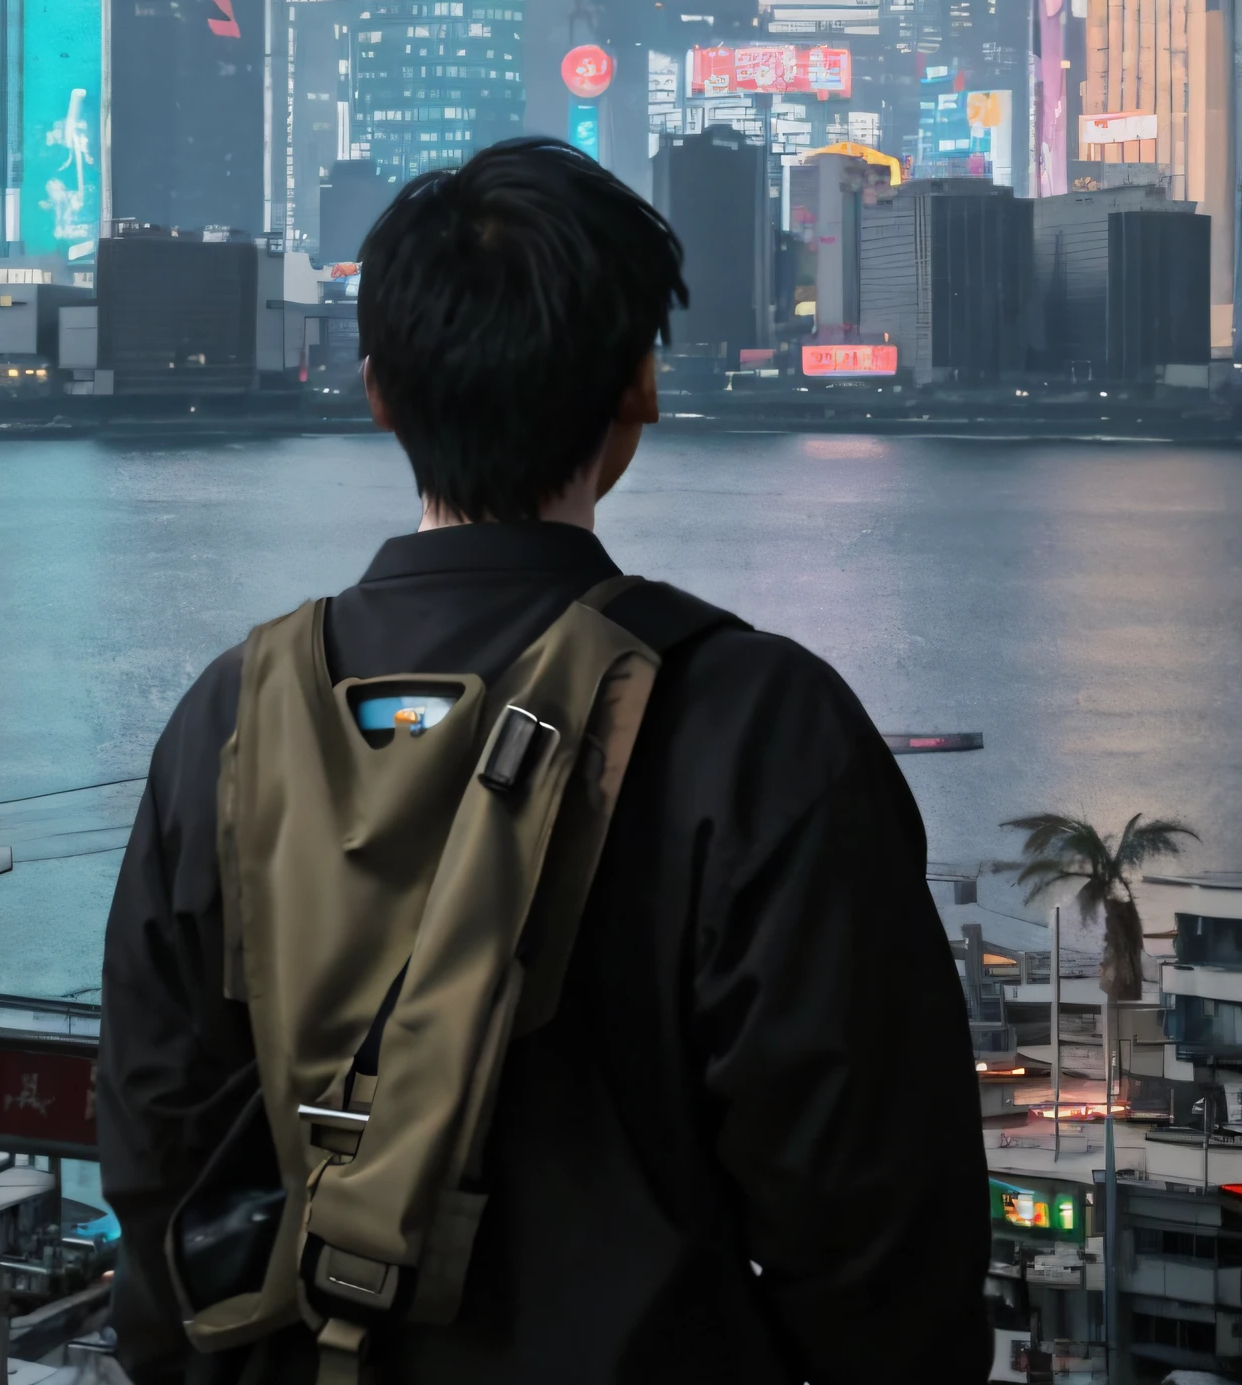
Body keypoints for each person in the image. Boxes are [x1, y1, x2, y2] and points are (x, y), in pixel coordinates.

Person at [98, 138, 990, 1384]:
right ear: (639, 387)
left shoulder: (227, 716)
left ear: (376, 393)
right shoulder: (756, 723)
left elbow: (154, 1145)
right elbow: (880, 1227)